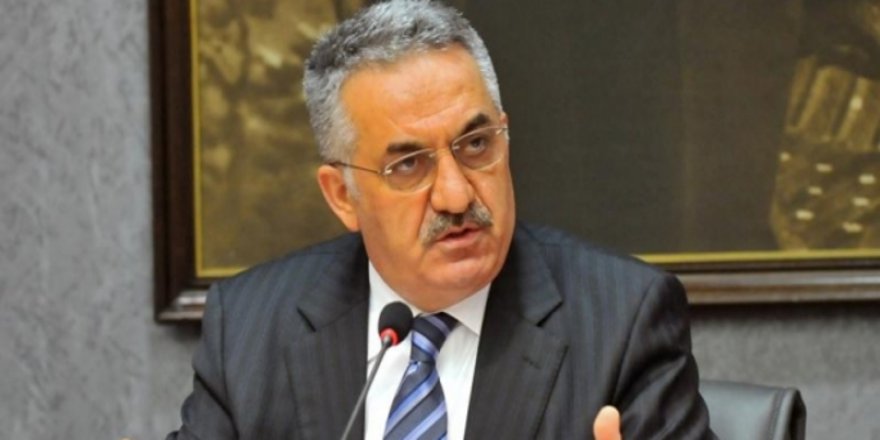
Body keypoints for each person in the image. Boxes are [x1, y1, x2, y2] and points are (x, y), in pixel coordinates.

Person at [168, 1, 714, 439]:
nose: (456, 195)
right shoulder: (251, 328)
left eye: (476, 145)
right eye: (408, 165)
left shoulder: (622, 322)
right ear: (342, 196)